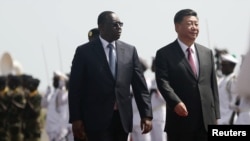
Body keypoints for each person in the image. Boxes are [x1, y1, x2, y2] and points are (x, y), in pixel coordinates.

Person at [68, 11, 153, 141]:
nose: (119, 28)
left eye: (121, 24)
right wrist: (76, 119)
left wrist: (146, 115)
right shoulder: (84, 52)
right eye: (115, 25)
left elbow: (140, 87)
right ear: (101, 27)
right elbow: (75, 88)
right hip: (95, 120)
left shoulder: (130, 51)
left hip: (122, 120)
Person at [154, 9, 220, 141]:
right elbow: (162, 82)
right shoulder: (164, 53)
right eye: (190, 24)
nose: (194, 28)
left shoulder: (207, 53)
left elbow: (212, 85)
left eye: (196, 24)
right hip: (180, 121)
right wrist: (175, 102)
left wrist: (216, 116)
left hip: (206, 121)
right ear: (177, 27)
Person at [217, 53, 238, 125]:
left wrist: (231, 121)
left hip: (228, 122)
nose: (221, 67)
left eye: (224, 65)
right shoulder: (221, 80)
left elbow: (235, 105)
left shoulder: (233, 81)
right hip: (219, 120)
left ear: (232, 66)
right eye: (221, 65)